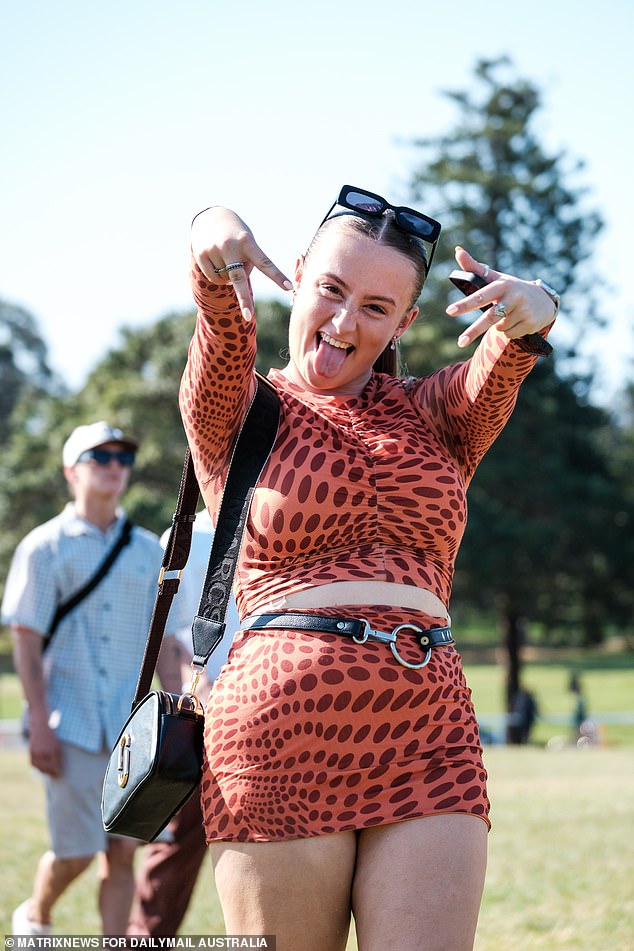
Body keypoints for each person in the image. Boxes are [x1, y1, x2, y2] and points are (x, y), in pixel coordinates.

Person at [179, 186, 560, 951]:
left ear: (407, 322)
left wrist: (536, 306)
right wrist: (210, 236)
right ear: (296, 275)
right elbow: (220, 320)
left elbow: (511, 349)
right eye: (331, 289)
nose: (347, 321)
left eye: (378, 307)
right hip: (280, 731)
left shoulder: (435, 412)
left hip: (430, 729)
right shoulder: (243, 408)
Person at [2, 421, 181, 936]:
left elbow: (166, 644)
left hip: (130, 732)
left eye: (122, 458)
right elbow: (27, 639)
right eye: (99, 456)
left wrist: (173, 723)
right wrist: (36, 722)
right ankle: (35, 917)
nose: (113, 467)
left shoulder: (150, 551)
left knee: (123, 853)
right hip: (69, 724)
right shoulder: (43, 548)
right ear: (70, 471)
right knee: (77, 852)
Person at [128, 509, 240, 937]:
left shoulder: (287, 518)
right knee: (175, 844)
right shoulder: (187, 534)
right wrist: (189, 709)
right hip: (206, 708)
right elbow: (167, 631)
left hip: (276, 708)